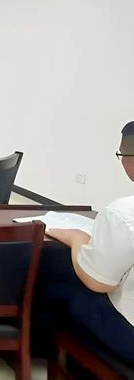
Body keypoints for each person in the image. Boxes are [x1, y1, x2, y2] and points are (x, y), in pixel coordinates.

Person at [40, 121, 134, 365]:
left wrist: (77, 239)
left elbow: (97, 282)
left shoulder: (123, 213)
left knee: (57, 277)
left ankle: (39, 351)